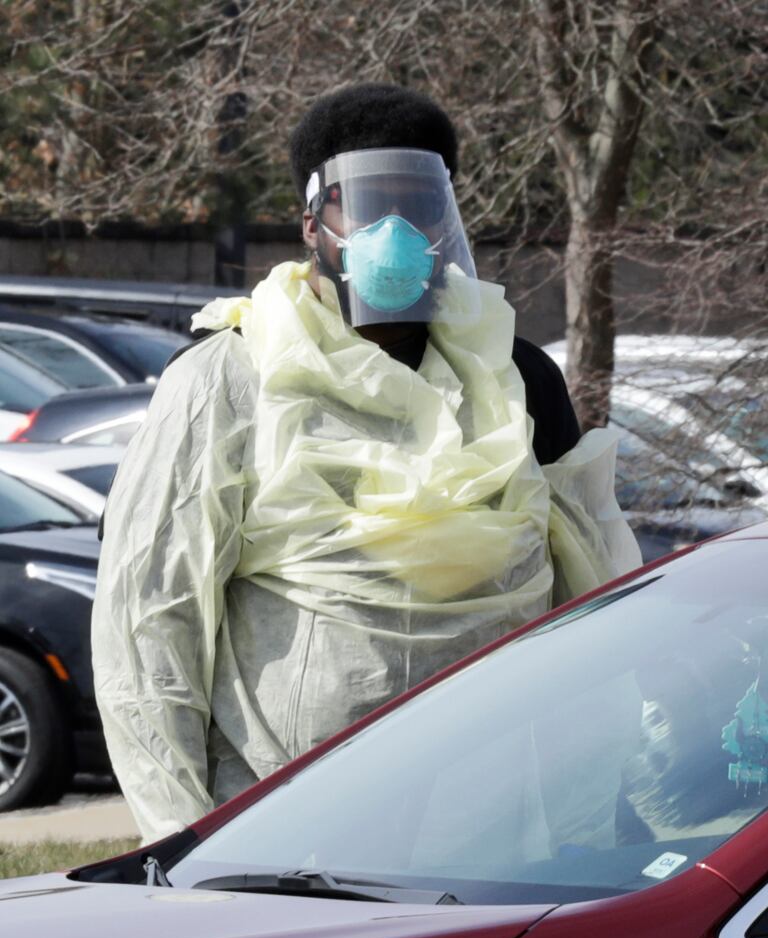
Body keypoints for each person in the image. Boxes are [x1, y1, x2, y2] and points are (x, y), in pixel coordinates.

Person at [93, 84, 640, 843]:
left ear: (445, 222)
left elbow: (595, 600)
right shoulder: (229, 381)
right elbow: (150, 622)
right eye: (369, 206)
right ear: (312, 222)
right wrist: (181, 839)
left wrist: (597, 818)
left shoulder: (513, 377)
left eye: (417, 205)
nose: (395, 231)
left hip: (494, 836)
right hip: (281, 835)